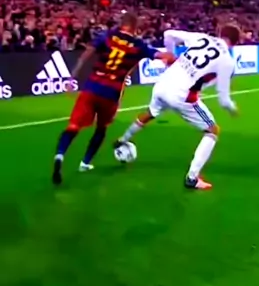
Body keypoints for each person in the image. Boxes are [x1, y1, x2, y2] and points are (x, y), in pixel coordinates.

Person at [52, 12, 175, 185]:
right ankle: (85, 163)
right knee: (101, 128)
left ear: (121, 24)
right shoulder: (139, 45)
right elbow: (162, 56)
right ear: (135, 28)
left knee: (73, 126)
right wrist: (172, 58)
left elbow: (87, 53)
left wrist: (72, 77)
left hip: (92, 87)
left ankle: (60, 156)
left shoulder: (107, 36)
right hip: (112, 93)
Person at [115, 25, 241, 190]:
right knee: (212, 130)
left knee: (150, 113)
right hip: (181, 95)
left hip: (163, 83)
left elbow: (168, 34)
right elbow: (223, 100)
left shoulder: (202, 38)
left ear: (220, 33)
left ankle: (122, 140)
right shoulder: (227, 62)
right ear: (236, 43)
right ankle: (192, 178)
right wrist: (232, 108)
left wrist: (171, 56)